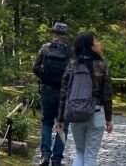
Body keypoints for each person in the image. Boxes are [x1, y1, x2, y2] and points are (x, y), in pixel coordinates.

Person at [56, 32, 114, 166]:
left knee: (80, 151)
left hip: (75, 111)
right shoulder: (102, 65)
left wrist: (60, 118)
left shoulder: (72, 65)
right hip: (96, 112)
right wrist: (109, 119)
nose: (99, 43)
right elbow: (107, 95)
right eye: (97, 40)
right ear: (91, 46)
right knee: (91, 155)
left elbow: (64, 93)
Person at [33, 22, 71, 166]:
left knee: (47, 122)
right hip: (64, 93)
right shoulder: (71, 50)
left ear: (53, 33)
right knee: (64, 125)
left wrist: (44, 78)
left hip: (47, 90)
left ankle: (45, 155)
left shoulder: (45, 48)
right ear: (65, 35)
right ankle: (57, 159)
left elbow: (35, 68)